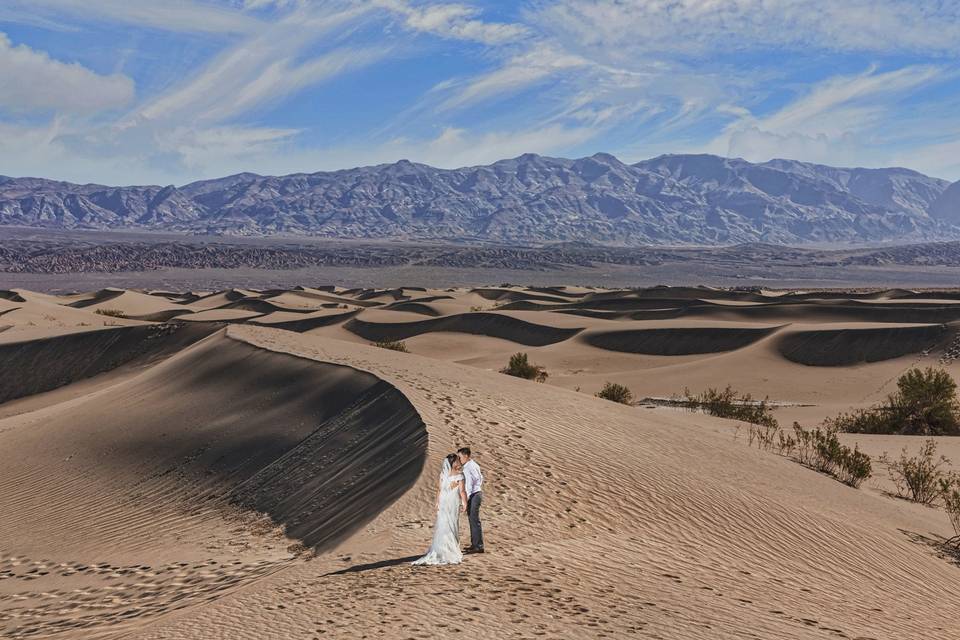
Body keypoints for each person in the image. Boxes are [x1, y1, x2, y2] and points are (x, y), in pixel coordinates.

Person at [412, 453, 468, 565]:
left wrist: (437, 502)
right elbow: (462, 491)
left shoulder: (443, 474)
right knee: (452, 524)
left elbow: (439, 490)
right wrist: (465, 503)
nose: (459, 462)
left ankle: (442, 547)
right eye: (457, 460)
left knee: (444, 524)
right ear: (453, 463)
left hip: (443, 501)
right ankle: (451, 549)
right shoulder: (460, 475)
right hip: (452, 502)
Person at [458, 447, 484, 554]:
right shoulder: (474, 464)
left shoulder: (468, 467)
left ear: (466, 456)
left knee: (474, 521)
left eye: (460, 457)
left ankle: (478, 546)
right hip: (476, 493)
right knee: (473, 520)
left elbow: (468, 485)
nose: (459, 459)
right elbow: (480, 478)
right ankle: (475, 545)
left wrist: (465, 501)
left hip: (474, 495)